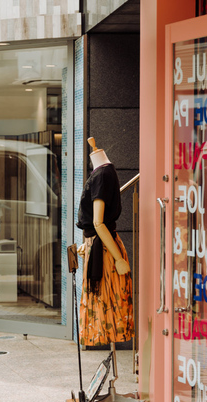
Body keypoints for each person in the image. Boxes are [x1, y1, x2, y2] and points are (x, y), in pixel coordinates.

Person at [76, 138, 134, 346]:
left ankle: (110, 347)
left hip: (107, 251)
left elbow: (99, 223)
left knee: (107, 300)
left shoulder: (101, 175)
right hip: (101, 245)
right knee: (104, 300)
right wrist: (89, 243)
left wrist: (118, 258)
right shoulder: (106, 171)